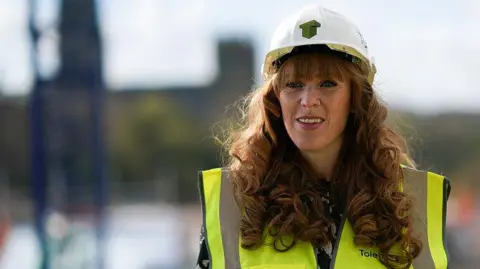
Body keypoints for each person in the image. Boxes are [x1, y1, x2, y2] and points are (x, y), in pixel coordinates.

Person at [196, 3, 450, 269]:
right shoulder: (233, 201)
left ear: (356, 98)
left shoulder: (411, 201)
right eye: (294, 84)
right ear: (275, 98)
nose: (308, 101)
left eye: (327, 84)